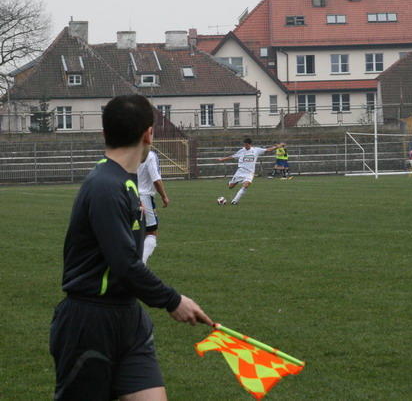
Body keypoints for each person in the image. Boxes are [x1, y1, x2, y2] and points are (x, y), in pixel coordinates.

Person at [49, 94, 212, 401]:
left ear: (104, 134)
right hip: (90, 322)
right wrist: (172, 300)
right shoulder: (104, 186)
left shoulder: (125, 181)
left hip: (128, 318)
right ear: (148, 133)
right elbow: (124, 263)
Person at [217, 137, 285, 205]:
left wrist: (279, 146)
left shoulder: (256, 150)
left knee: (246, 184)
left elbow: (269, 150)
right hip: (240, 171)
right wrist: (222, 159)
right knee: (230, 187)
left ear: (250, 144)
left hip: (249, 173)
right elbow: (232, 156)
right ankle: (232, 182)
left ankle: (235, 201)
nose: (245, 146)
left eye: (246, 145)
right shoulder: (242, 150)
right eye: (244, 145)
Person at [137, 149, 169, 264]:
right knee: (151, 233)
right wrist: (164, 196)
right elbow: (156, 179)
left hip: (129, 195)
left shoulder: (129, 151)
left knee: (133, 232)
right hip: (144, 197)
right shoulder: (149, 155)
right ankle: (141, 263)